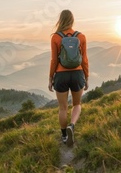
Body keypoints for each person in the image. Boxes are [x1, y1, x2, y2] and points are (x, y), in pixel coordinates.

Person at [48, 9, 89, 146]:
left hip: (61, 75)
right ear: (72, 20)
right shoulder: (81, 36)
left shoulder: (55, 37)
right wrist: (86, 77)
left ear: (60, 20)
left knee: (63, 108)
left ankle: (64, 136)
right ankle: (72, 125)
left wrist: (50, 78)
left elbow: (54, 60)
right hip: (77, 74)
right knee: (77, 104)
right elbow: (84, 60)